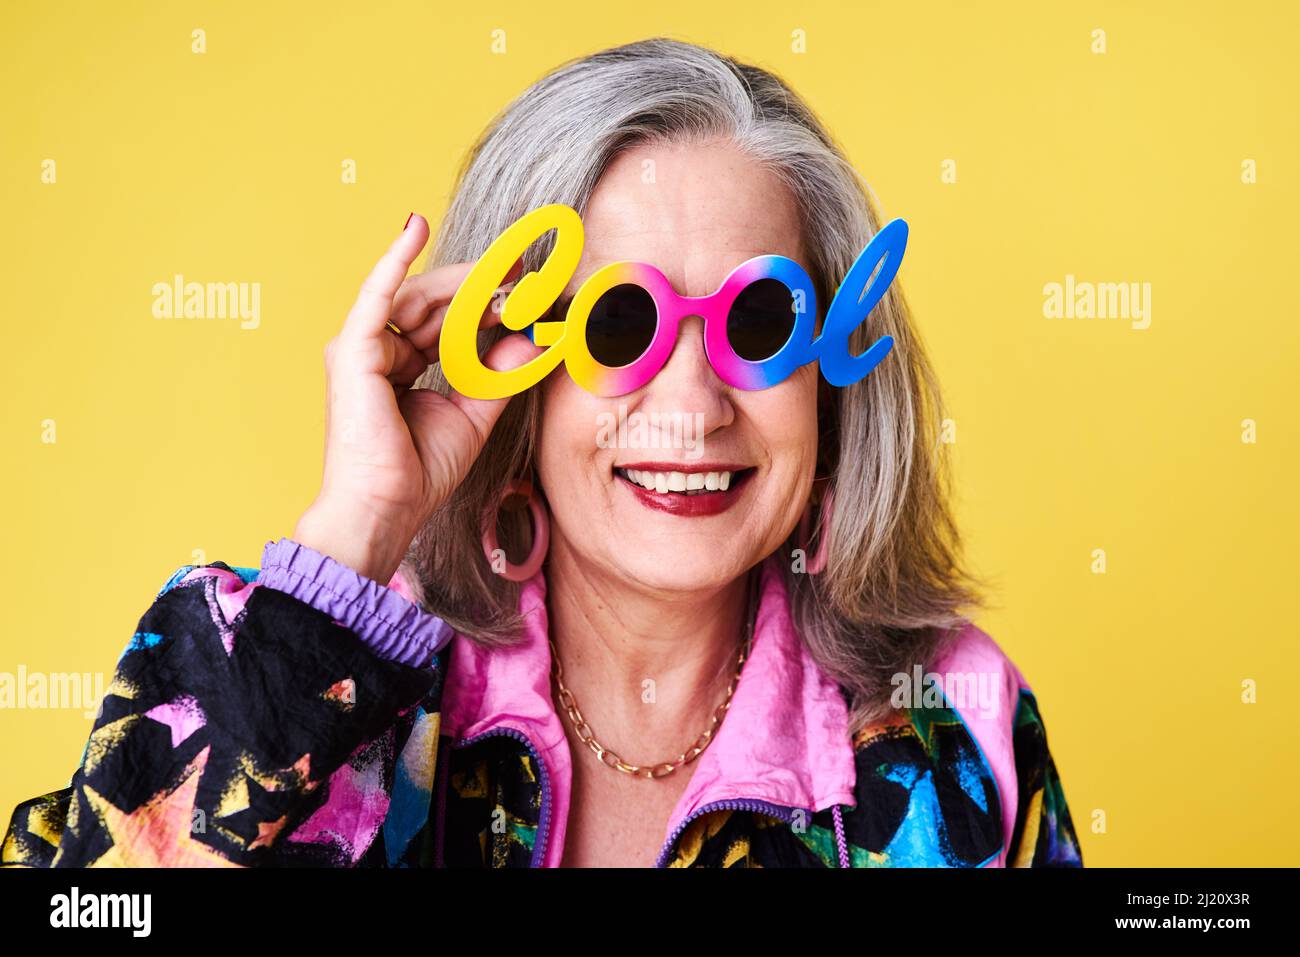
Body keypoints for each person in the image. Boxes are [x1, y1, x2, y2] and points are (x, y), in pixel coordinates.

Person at [2, 37, 1081, 868]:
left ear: (829, 376)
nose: (696, 404)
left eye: (756, 324)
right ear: (508, 363)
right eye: (618, 324)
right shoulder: (329, 705)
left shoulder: (953, 724)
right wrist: (356, 530)